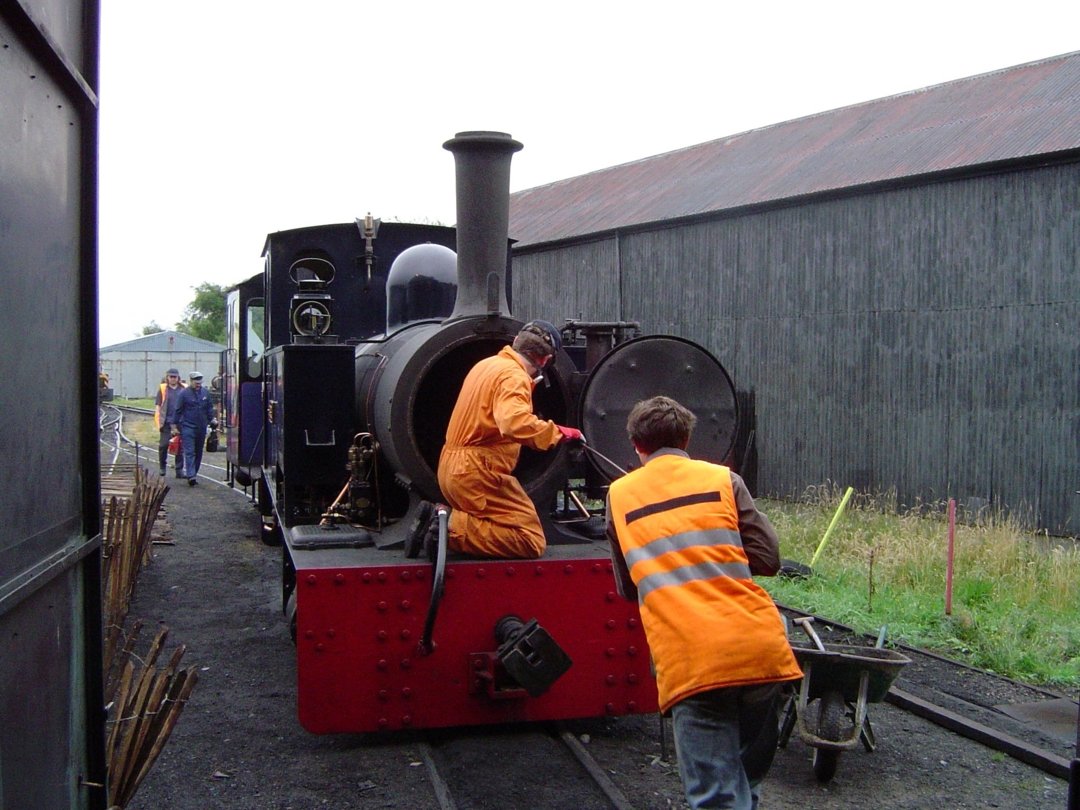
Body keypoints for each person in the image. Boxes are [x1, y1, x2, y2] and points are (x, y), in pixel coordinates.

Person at [605, 395, 802, 810]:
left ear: (637, 445)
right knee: (746, 783)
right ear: (687, 437)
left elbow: (627, 588)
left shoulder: (619, 496)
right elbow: (768, 559)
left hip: (694, 659)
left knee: (716, 796)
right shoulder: (723, 480)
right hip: (761, 651)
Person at [408, 320, 582, 559]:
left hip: (451, 467)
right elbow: (514, 424)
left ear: (516, 343)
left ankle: (442, 521)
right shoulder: (514, 377)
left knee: (496, 522)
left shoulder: (487, 364)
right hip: (477, 472)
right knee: (529, 538)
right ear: (544, 360)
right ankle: (448, 525)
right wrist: (559, 433)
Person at [174, 371, 217, 486]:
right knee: (189, 452)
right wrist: (174, 426)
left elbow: (209, 408)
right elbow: (178, 410)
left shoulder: (205, 393)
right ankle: (191, 476)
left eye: (200, 383)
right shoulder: (184, 394)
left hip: (201, 427)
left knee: (198, 451)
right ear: (191, 381)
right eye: (196, 383)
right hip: (188, 427)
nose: (198, 385)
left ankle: (194, 473)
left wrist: (212, 419)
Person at [154, 368, 186, 478]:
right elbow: (158, 406)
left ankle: (179, 470)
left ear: (178, 378)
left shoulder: (183, 389)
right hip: (166, 423)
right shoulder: (163, 389)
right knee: (163, 445)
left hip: (180, 423)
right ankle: (162, 467)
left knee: (179, 447)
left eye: (175, 377)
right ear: (167, 377)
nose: (173, 379)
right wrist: (159, 422)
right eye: (171, 377)